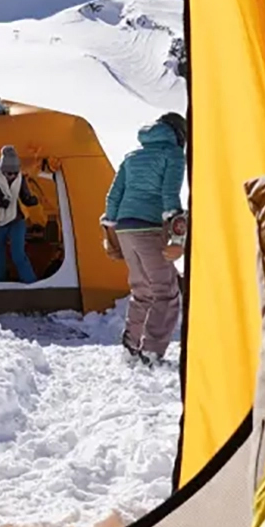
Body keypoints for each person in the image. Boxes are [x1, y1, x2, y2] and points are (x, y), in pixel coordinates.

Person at [100, 112, 189, 364]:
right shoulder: (172, 154)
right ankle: (151, 351)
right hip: (149, 227)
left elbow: (112, 198)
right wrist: (176, 232)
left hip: (125, 228)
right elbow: (170, 195)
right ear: (178, 134)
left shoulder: (132, 157)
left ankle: (130, 347)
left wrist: (110, 233)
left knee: (141, 290)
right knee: (165, 291)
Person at [0, 143, 40, 282]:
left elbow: (24, 196)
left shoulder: (20, 179)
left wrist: (31, 200)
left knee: (18, 254)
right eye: (9, 173)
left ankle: (31, 283)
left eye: (15, 173)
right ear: (1, 170)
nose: (12, 176)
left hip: (16, 220)